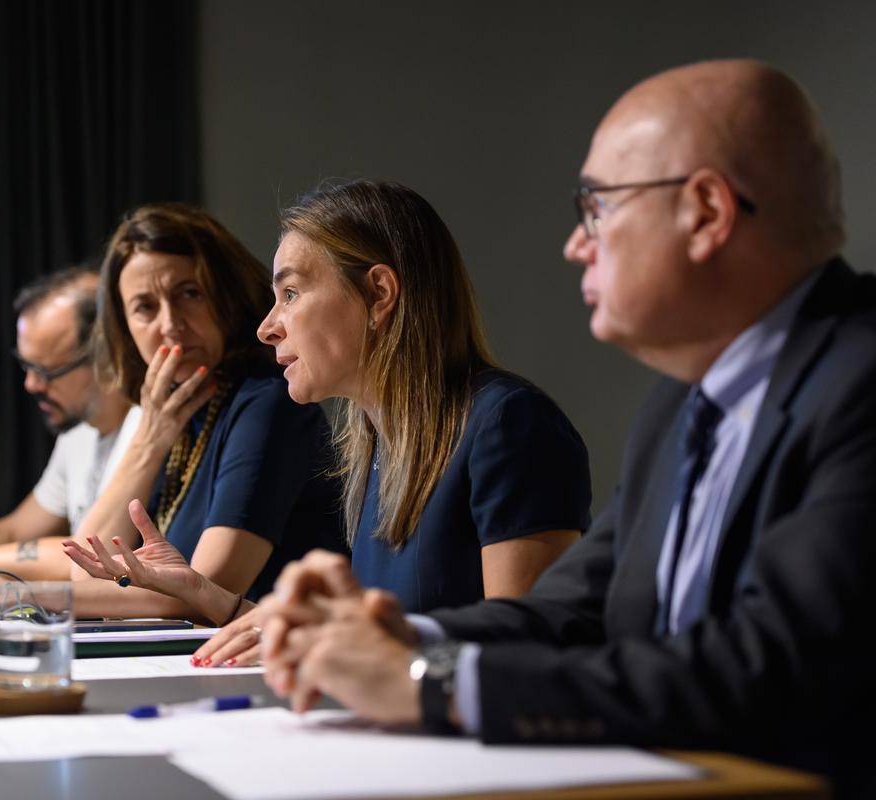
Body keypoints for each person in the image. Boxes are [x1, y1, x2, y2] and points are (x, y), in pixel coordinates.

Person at [258, 60, 876, 797]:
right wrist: (392, 639)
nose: (576, 245)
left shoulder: (860, 383)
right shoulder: (678, 408)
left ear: (707, 213)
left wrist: (429, 680)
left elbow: (768, 666)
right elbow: (571, 611)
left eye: (597, 209)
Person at [69, 181, 591, 666]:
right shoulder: (377, 443)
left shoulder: (507, 423)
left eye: (290, 294)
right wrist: (202, 593)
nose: (267, 327)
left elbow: (522, 652)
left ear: (379, 294)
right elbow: (371, 640)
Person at [59, 203, 344, 621]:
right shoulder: (174, 417)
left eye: (188, 293)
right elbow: (85, 569)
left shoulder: (269, 403)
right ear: (124, 327)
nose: (170, 324)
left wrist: (22, 598)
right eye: (145, 307)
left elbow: (207, 595)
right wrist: (148, 442)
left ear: (227, 295)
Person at [0, 265, 138, 584]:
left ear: (105, 354)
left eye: (46, 371)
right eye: (26, 366)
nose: (31, 384)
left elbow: (88, 559)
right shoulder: (80, 430)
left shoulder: (145, 427)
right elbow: (13, 531)